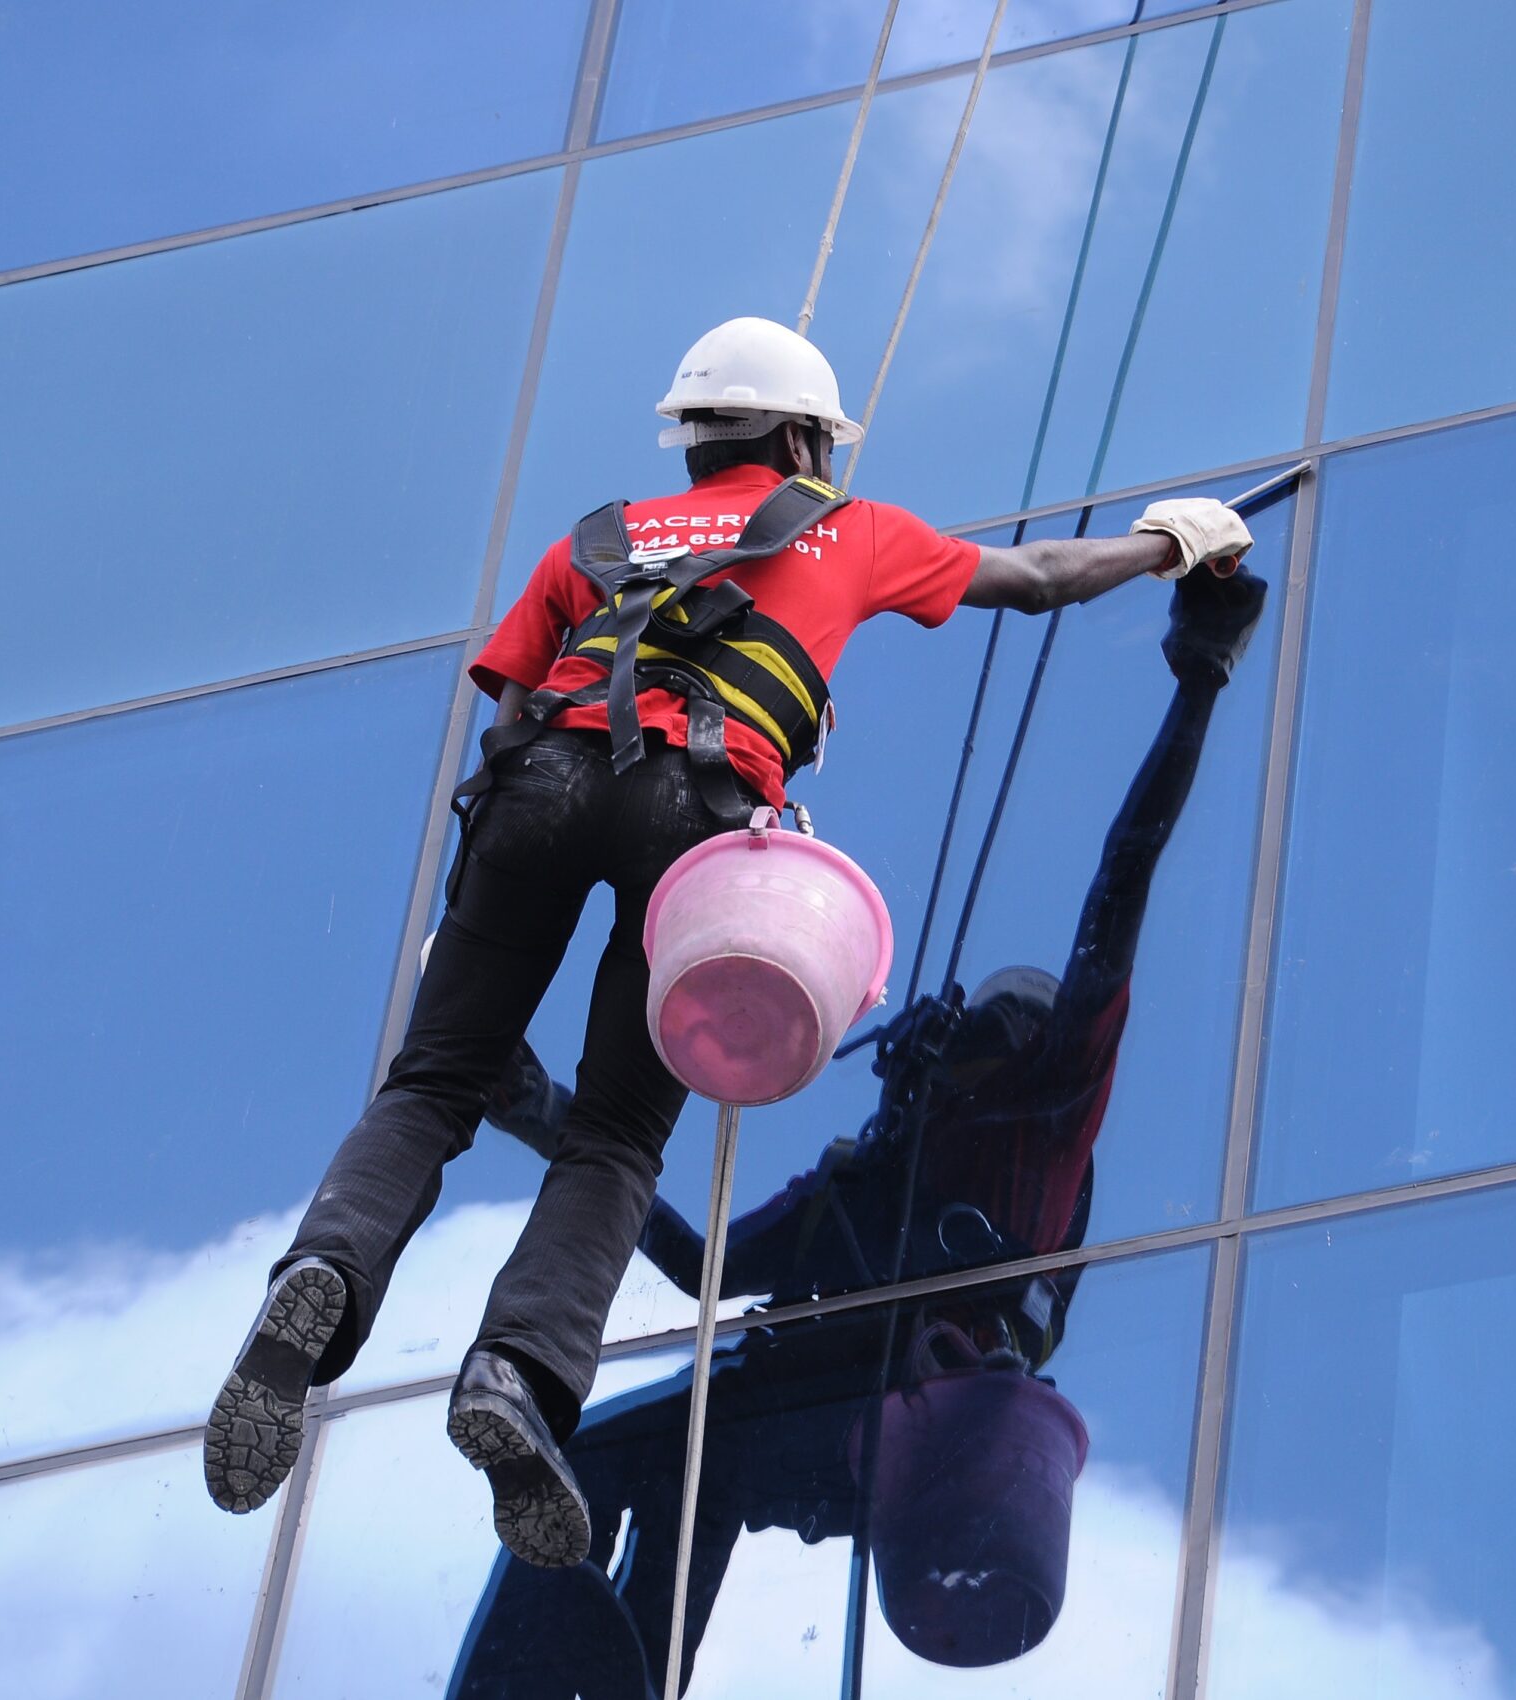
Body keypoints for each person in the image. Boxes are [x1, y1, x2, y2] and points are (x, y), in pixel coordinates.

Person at [202, 316, 1254, 1569]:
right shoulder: (846, 527)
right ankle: (520, 1371)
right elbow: (1032, 582)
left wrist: (452, 921)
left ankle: (315, 1281)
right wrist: (1169, 541)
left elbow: (509, 712)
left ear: (693, 441)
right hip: (693, 817)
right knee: (615, 1133)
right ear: (806, 437)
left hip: (533, 791)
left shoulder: (596, 536)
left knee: (433, 1082)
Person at [446, 562, 1267, 1694]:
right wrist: (548, 1116)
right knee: (620, 1458)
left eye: (990, 1021)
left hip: (904, 1428)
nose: (954, 1038)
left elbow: (1117, 891)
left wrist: (1197, 682)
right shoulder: (868, 1180)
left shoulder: (1041, 1117)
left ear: (1023, 1039)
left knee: (683, 1453)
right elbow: (709, 1268)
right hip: (827, 1427)